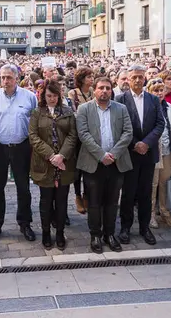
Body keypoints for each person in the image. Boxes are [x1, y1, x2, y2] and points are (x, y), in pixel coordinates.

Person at [76, 77, 133, 254]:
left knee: (111, 201)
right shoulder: (84, 109)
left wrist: (113, 154)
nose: (105, 91)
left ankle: (110, 234)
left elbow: (128, 132)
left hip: (116, 163)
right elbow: (83, 134)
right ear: (94, 90)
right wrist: (101, 155)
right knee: (93, 202)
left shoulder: (121, 108)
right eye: (101, 88)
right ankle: (95, 235)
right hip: (94, 163)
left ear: (111, 91)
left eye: (108, 88)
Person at [0, 64, 39, 243]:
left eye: (9, 77)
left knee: (23, 188)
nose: (5, 81)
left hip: (21, 146)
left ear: (17, 78)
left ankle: (25, 223)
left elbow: (35, 122)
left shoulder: (30, 97)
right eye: (3, 77)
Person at [115, 65, 165, 246]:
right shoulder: (120, 100)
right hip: (129, 153)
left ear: (145, 79)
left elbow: (160, 124)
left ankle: (145, 227)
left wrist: (147, 143)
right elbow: (119, 126)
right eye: (134, 77)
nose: (137, 80)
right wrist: (135, 143)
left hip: (148, 153)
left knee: (146, 193)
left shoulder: (153, 99)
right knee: (128, 193)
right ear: (128, 79)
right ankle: (125, 227)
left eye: (140, 77)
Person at [29, 80, 78, 250]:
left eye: (55, 96)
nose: (52, 99)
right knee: (46, 200)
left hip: (64, 163)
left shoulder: (67, 111)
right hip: (44, 163)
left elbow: (73, 135)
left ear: (59, 96)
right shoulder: (37, 112)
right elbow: (33, 136)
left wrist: (62, 155)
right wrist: (51, 155)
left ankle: (59, 232)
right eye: (49, 96)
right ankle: (45, 232)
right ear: (44, 96)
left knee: (62, 200)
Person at [146, 78, 171, 228]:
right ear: (149, 91)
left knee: (165, 184)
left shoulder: (169, 107)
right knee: (152, 185)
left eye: (161, 90)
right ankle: (150, 215)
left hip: (168, 150)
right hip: (154, 151)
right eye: (156, 90)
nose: (159, 93)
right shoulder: (147, 107)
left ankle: (165, 212)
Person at [68, 66, 94, 215]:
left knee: (89, 167)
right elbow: (74, 113)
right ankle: (78, 195)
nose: (91, 79)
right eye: (88, 76)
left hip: (92, 134)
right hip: (78, 135)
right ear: (82, 79)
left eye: (92, 76)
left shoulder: (93, 92)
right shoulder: (73, 93)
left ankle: (87, 196)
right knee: (78, 168)